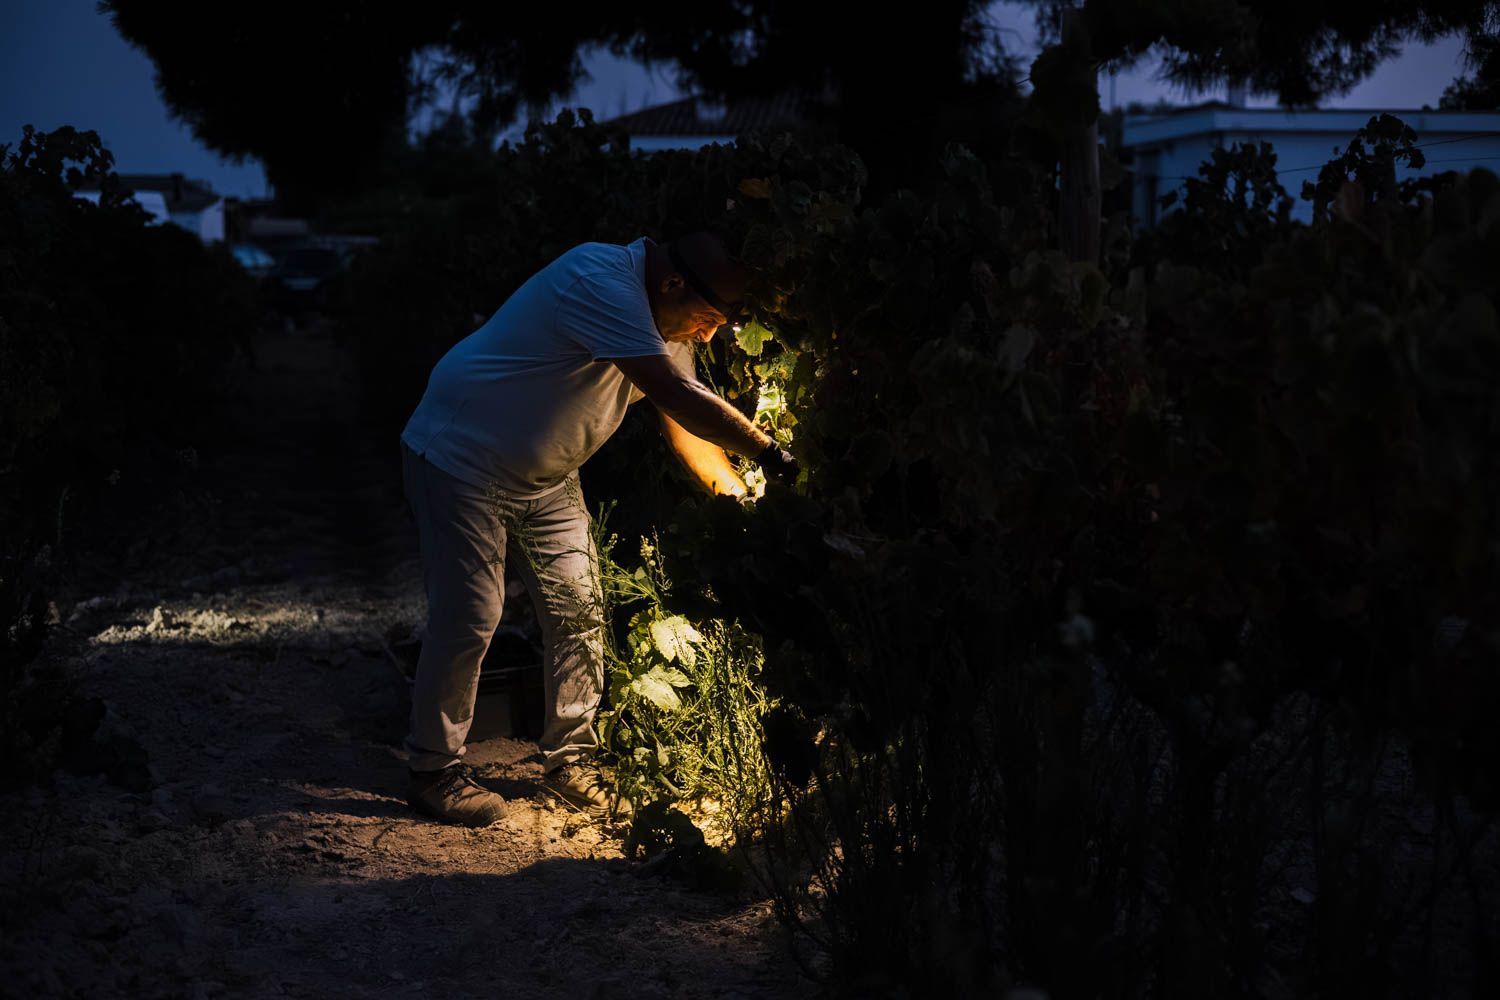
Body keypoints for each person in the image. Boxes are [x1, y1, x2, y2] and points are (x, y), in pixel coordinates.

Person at [398, 231, 797, 826]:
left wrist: (740, 497)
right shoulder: (598, 281)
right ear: (671, 283)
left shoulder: (665, 325)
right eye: (709, 318)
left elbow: (684, 425)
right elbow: (676, 393)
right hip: (464, 459)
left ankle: (569, 762)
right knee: (471, 615)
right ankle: (434, 769)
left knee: (580, 609)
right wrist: (773, 455)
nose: (710, 334)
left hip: (549, 476)